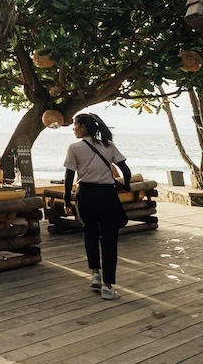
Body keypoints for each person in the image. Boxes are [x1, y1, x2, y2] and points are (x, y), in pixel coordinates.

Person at [64, 112, 132, 301]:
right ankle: (108, 286)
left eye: (75, 125)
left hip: (85, 194)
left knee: (90, 234)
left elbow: (69, 176)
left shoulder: (75, 148)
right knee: (109, 239)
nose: (73, 129)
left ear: (83, 128)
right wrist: (125, 186)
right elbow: (126, 170)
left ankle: (95, 274)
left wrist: (68, 199)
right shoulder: (109, 146)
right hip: (107, 195)